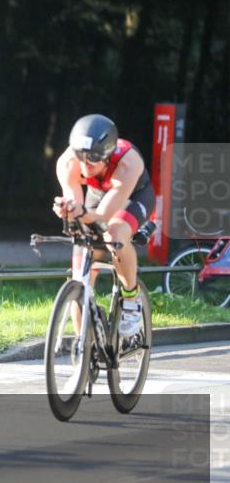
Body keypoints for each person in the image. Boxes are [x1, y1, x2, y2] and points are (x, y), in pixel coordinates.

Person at [53, 114, 155, 338]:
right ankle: (84, 347)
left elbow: (103, 215)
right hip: (97, 196)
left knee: (114, 235)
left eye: (92, 161)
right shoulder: (68, 162)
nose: (84, 166)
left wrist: (82, 213)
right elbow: (77, 206)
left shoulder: (128, 163)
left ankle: (131, 298)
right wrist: (68, 209)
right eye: (81, 159)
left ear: (107, 157)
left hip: (133, 197)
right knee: (79, 278)